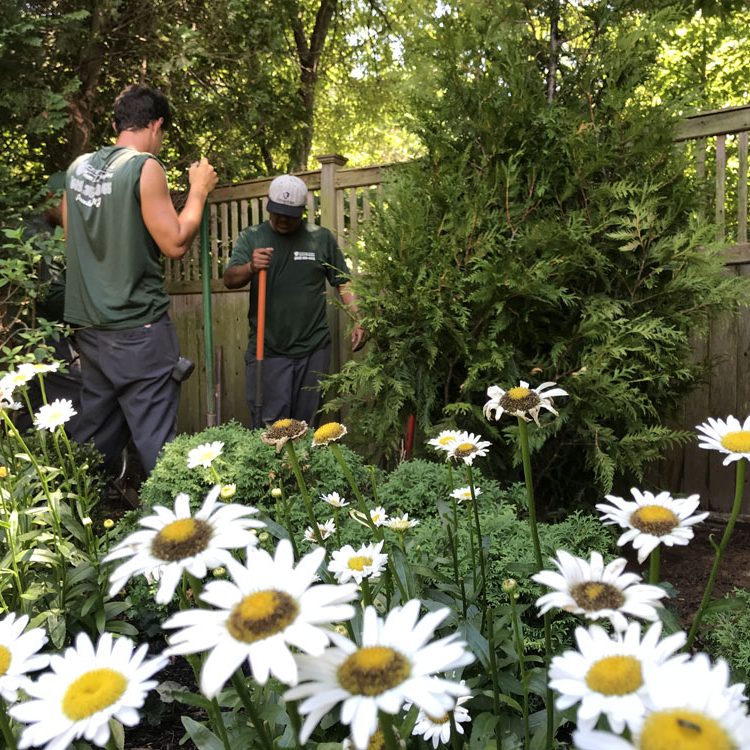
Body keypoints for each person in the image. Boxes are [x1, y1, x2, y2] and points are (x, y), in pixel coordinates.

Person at [62, 84, 218, 476]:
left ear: (117, 124)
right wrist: (198, 191)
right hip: (139, 332)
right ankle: (174, 530)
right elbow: (176, 242)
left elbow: (73, 236)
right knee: (158, 445)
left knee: (96, 440)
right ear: (157, 125)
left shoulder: (76, 170)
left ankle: (74, 522)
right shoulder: (143, 167)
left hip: (91, 334)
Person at [223, 174, 364, 427]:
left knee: (305, 428)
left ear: (302, 211)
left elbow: (343, 281)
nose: (284, 219)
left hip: (314, 350)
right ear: (268, 205)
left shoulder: (320, 238)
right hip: (268, 350)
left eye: (291, 214)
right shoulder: (252, 237)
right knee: (270, 429)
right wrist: (251, 266)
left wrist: (358, 318)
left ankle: (301, 468)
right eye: (278, 212)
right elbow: (230, 279)